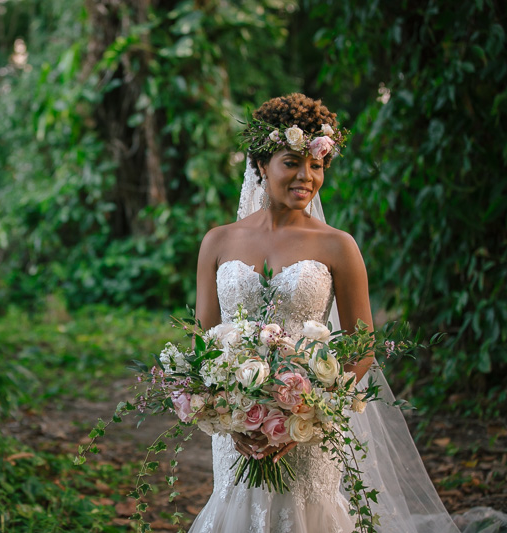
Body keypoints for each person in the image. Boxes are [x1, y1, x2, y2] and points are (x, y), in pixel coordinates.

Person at [188, 94, 461, 533]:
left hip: (310, 430)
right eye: (292, 161)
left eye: (316, 165)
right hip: (238, 431)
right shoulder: (217, 242)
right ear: (260, 163)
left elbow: (361, 348)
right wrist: (229, 414)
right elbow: (204, 344)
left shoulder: (338, 245)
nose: (306, 176)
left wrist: (305, 415)